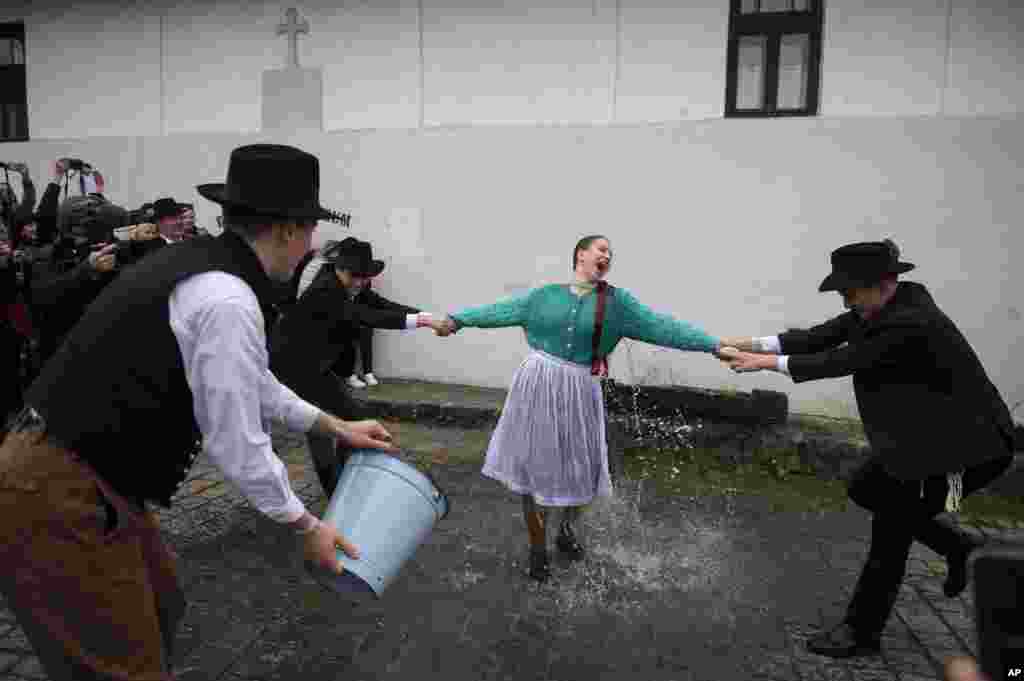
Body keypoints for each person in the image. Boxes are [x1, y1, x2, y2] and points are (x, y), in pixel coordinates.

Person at [0, 144, 396, 681]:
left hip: (94, 476)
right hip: (56, 485)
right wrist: (305, 524)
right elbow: (235, 440)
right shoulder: (226, 296)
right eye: (309, 230)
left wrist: (335, 424)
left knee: (163, 602)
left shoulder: (210, 268)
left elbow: (253, 381)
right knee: (122, 662)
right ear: (284, 231)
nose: (313, 245)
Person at [719, 239, 1015, 659]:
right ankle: (958, 547)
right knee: (867, 487)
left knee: (892, 526)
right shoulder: (877, 308)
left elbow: (841, 360)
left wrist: (763, 365)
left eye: (849, 290)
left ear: (882, 282)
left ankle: (861, 632)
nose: (845, 298)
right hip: (925, 440)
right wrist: (743, 343)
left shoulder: (911, 321)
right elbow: (817, 338)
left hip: (968, 448)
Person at [440, 235, 722, 581]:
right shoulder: (545, 296)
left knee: (584, 466)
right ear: (581, 255)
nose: (607, 256)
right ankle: (537, 546)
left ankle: (567, 530)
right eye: (601, 249)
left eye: (611, 254)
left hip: (580, 389)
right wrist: (457, 319)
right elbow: (502, 310)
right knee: (533, 465)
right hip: (537, 385)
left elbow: (663, 327)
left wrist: (713, 345)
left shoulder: (618, 304)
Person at [270, 236, 442, 498]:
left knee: (355, 419)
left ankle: (347, 479)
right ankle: (337, 493)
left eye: (364, 276)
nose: (361, 282)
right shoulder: (325, 289)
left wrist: (426, 316)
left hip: (316, 367)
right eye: (356, 275)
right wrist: (421, 321)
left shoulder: (349, 283)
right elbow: (366, 316)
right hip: (293, 368)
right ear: (339, 267)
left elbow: (379, 304)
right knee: (321, 431)